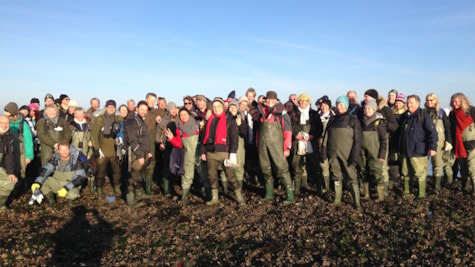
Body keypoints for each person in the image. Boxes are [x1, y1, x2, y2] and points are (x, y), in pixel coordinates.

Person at [200, 98, 245, 205]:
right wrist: (203, 152)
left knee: (230, 175)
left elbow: (234, 139)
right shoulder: (209, 121)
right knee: (212, 175)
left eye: (218, 107)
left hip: (224, 152)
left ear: (223, 107)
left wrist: (233, 154)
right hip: (210, 152)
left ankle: (239, 197)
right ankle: (215, 197)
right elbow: (203, 138)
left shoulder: (230, 121)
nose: (216, 109)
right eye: (214, 107)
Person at [252, 91, 294, 203]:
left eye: (272, 99)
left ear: (276, 100)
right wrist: (257, 144)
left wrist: (287, 148)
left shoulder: (282, 114)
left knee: (282, 169)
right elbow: (258, 132)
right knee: (265, 168)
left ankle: (290, 195)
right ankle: (269, 193)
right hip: (262, 146)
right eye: (268, 99)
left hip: (277, 147)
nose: (270, 101)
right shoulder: (261, 113)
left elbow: (288, 132)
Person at [322, 96, 362, 210]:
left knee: (352, 177)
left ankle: (357, 202)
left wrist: (354, 156)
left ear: (346, 105)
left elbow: (358, 140)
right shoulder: (332, 120)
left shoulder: (353, 120)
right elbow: (326, 137)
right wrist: (323, 151)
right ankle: (337, 200)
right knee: (336, 176)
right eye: (338, 104)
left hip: (348, 154)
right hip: (333, 153)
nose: (339, 107)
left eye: (341, 104)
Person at [399, 95, 437, 198]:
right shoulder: (405, 116)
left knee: (420, 172)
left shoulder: (423, 115)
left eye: (411, 103)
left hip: (419, 149)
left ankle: (421, 193)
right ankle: (407, 191)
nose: (409, 105)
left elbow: (432, 132)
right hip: (405, 150)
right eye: (407, 103)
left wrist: (432, 147)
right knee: (405, 171)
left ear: (418, 104)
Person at [31, 141, 87, 206]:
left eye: (66, 149)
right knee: (43, 184)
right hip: (57, 181)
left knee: (73, 194)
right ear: (58, 151)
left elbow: (81, 177)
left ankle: (70, 201)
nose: (64, 152)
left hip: (70, 183)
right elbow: (45, 170)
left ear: (69, 150)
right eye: (62, 150)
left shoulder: (76, 161)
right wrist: (37, 182)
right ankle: (50, 199)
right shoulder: (54, 159)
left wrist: (66, 188)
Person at [289, 93, 322, 195]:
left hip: (311, 141)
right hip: (297, 142)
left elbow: (320, 128)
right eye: (301, 101)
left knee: (316, 165)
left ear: (309, 102)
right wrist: (295, 136)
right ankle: (298, 190)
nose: (303, 103)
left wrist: (312, 136)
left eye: (305, 101)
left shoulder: (314, 114)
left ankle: (319, 190)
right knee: (296, 165)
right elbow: (289, 128)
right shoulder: (293, 114)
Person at [91, 100, 123, 198]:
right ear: (106, 107)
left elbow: (122, 133)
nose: (111, 109)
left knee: (117, 170)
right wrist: (96, 148)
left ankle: (117, 188)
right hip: (103, 146)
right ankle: (99, 189)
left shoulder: (119, 118)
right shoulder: (99, 119)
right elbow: (94, 134)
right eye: (109, 107)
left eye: (113, 107)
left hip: (114, 147)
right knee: (101, 170)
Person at [167, 107, 200, 202]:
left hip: (198, 154)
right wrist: (172, 138)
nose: (183, 116)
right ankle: (184, 196)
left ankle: (208, 194)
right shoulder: (179, 129)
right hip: (187, 155)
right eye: (181, 115)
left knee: (203, 173)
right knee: (186, 174)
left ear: (189, 115)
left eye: (185, 114)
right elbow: (179, 144)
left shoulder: (197, 125)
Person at [357, 99, 387, 202]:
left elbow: (384, 140)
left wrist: (382, 155)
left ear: (374, 110)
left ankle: (380, 196)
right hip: (362, 152)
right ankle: (366, 194)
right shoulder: (360, 121)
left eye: (369, 108)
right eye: (365, 108)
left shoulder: (379, 122)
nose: (367, 110)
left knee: (377, 173)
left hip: (375, 152)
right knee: (363, 172)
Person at [124, 100, 153, 206]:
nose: (144, 111)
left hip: (143, 152)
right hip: (135, 153)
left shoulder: (140, 120)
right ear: (136, 109)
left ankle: (139, 193)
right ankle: (131, 201)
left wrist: (148, 152)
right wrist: (140, 156)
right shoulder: (132, 121)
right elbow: (133, 140)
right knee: (133, 176)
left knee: (139, 175)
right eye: (142, 109)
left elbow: (145, 138)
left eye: (145, 110)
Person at [424, 93, 453, 192]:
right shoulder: (423, 112)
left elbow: (447, 127)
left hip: (439, 141)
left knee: (438, 163)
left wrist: (449, 140)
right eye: (427, 100)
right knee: (424, 163)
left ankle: (437, 186)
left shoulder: (441, 113)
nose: (429, 102)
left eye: (431, 100)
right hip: (424, 141)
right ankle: (423, 184)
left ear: (436, 100)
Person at [449, 93, 475, 196]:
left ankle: (474, 189)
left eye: (456, 101)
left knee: (472, 167)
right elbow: (451, 129)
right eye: (452, 102)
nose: (454, 104)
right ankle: (464, 187)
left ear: (462, 101)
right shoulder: (452, 114)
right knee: (462, 167)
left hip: (472, 143)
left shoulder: (472, 110)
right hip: (459, 144)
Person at [156, 101, 179, 195]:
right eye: (171, 109)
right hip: (167, 146)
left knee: (175, 166)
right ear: (168, 110)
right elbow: (158, 133)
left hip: (177, 146)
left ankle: (171, 185)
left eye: (175, 108)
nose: (173, 110)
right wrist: (159, 143)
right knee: (166, 167)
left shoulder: (179, 119)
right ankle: (165, 189)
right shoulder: (163, 120)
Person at [143, 93, 160, 196]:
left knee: (151, 165)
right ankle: (138, 189)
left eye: (154, 101)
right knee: (139, 165)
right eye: (150, 100)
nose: (152, 102)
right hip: (141, 142)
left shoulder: (155, 112)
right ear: (146, 99)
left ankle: (148, 188)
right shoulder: (140, 110)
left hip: (152, 142)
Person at [0, 115, 19, 210]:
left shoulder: (8, 136)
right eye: (2, 123)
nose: (5, 125)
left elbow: (9, 156)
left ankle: (1, 205)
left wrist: (10, 172)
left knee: (10, 182)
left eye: (7, 123)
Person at [318, 97, 335, 195]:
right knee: (323, 164)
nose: (323, 107)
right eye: (322, 105)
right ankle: (327, 186)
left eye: (325, 105)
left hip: (332, 143)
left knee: (334, 164)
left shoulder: (334, 117)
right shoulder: (317, 116)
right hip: (320, 143)